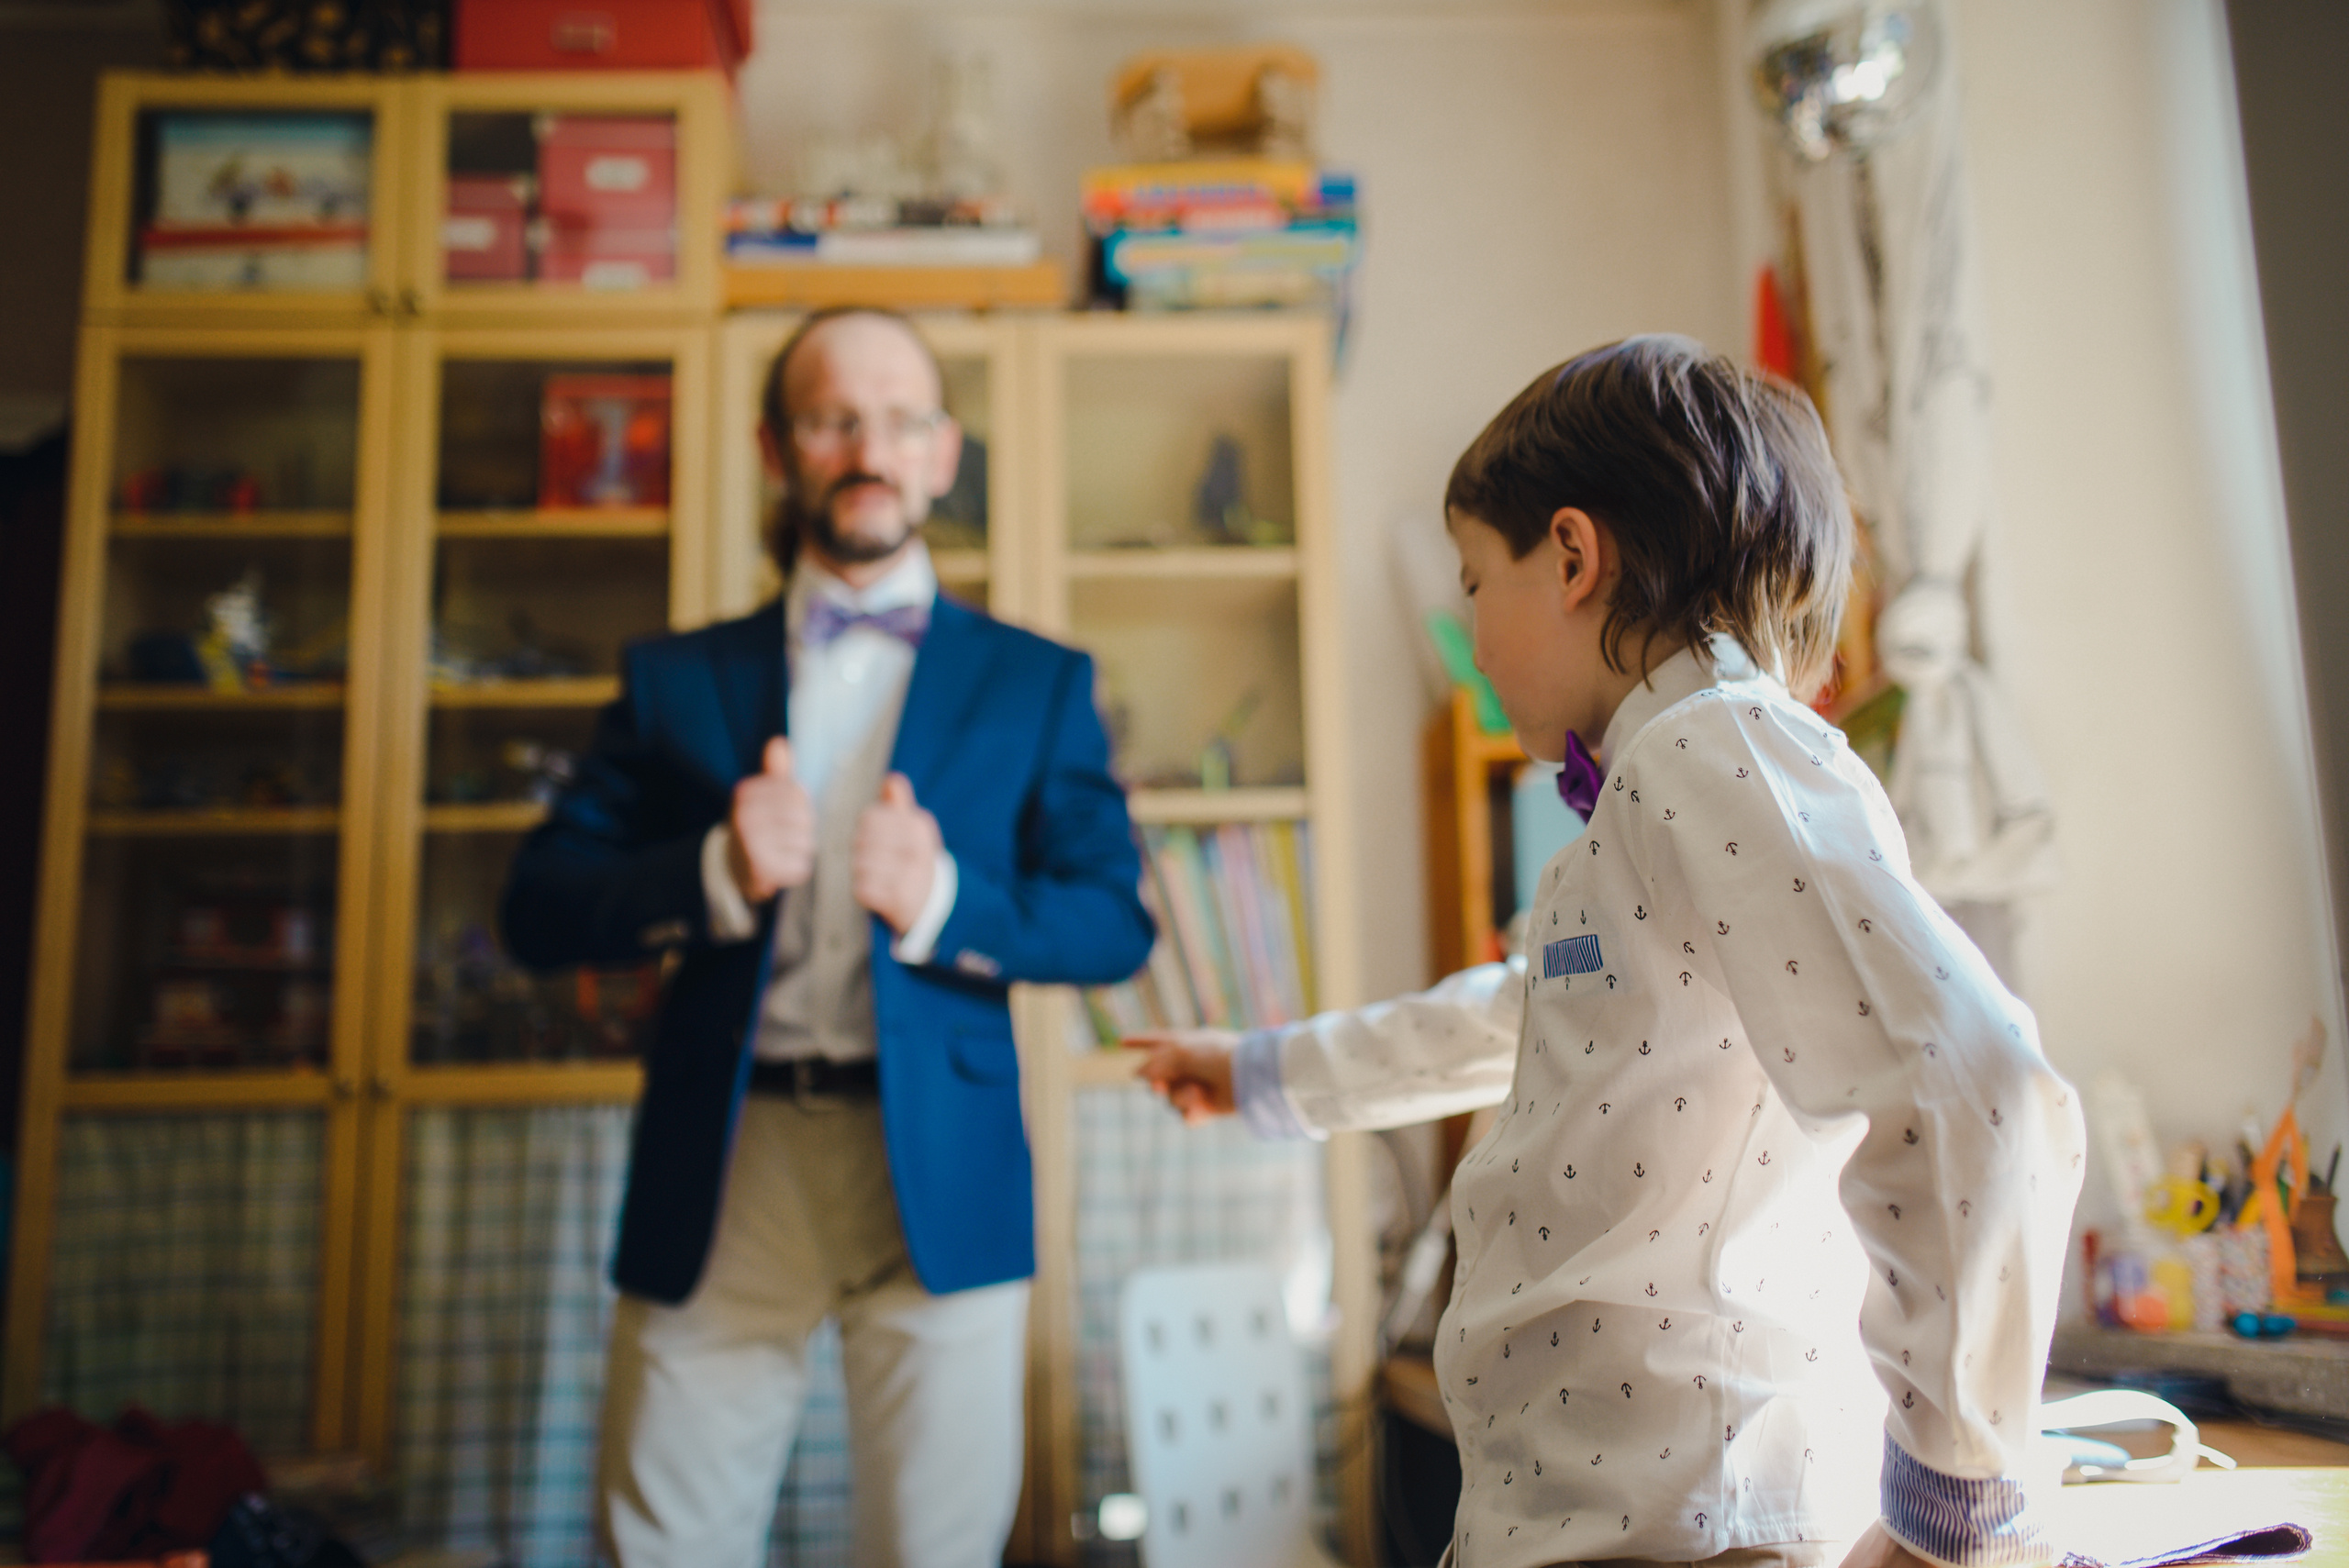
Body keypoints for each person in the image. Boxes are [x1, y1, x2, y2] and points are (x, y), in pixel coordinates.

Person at [1133, 336, 2085, 1568]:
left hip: (1698, 1525)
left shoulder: (1718, 752)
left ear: (1572, 556)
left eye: (1474, 579)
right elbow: (1519, 1013)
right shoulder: (1650, 793)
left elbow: (1976, 1093)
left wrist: (1949, 1519)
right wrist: (1268, 1072)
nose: (1467, 628)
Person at [502, 306, 1156, 1568]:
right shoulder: (671, 679)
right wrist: (709, 869)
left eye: (902, 418)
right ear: (774, 446)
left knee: (936, 1547)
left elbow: (1112, 919)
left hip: (945, 1165)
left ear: (944, 452)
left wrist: (951, 903)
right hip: (726, 1158)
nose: (871, 446)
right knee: (665, 1544)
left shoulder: (1039, 681)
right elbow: (537, 905)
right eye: (832, 418)